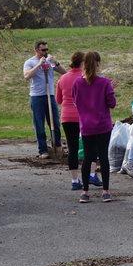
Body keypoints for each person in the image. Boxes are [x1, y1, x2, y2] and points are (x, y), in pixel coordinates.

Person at [71, 52, 116, 203]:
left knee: (87, 158)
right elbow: (112, 103)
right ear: (97, 64)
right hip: (103, 125)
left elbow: (76, 101)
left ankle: (85, 192)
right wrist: (112, 89)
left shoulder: (77, 83)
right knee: (103, 157)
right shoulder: (104, 83)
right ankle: (105, 191)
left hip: (86, 125)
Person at [56, 51, 98, 190]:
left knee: (72, 148)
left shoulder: (63, 78)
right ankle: (91, 174)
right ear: (83, 63)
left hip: (67, 116)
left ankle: (75, 180)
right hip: (83, 116)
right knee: (91, 146)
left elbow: (58, 100)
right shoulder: (85, 77)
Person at [23, 40, 66, 158]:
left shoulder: (49, 61)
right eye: (43, 50)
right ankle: (43, 150)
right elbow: (26, 76)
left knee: (55, 122)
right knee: (39, 124)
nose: (45, 52)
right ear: (36, 50)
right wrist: (39, 65)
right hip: (37, 96)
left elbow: (64, 72)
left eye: (47, 49)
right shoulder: (30, 62)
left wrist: (55, 62)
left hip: (50, 95)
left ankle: (57, 146)